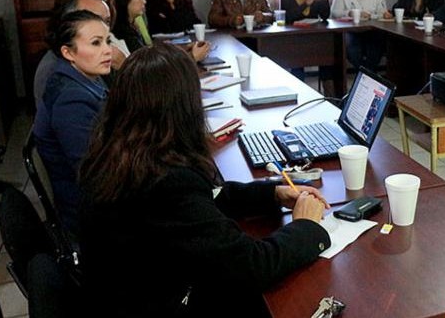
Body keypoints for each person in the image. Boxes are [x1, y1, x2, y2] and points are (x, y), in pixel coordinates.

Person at [78, 42, 330, 317]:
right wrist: (306, 227)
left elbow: (206, 198)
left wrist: (272, 193)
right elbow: (252, 268)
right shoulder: (166, 182)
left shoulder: (120, 153)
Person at [33, 10, 113, 234]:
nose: (107, 50)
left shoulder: (85, 77)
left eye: (107, 41)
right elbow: (93, 173)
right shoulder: (71, 99)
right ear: (68, 52)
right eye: (96, 43)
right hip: (92, 214)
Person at [34, 0, 126, 105]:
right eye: (91, 18)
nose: (102, 28)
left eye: (107, 21)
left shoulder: (93, 58)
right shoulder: (54, 72)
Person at [280, 0, 333, 87]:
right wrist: (306, 4)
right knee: (297, 57)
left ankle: (330, 93)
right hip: (293, 36)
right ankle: (300, 88)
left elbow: (325, 16)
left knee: (327, 52)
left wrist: (325, 0)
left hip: (313, 35)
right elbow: (287, 17)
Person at [331, 0, 388, 71]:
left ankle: (367, 72)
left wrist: (371, 15)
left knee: (379, 42)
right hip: (350, 30)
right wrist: (349, 13)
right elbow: (335, 12)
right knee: (350, 44)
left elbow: (383, 13)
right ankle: (366, 72)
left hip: (371, 30)